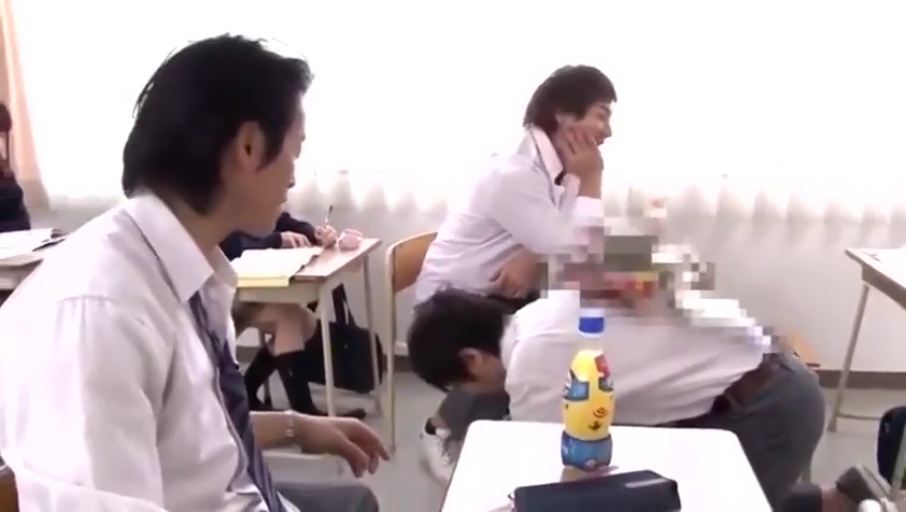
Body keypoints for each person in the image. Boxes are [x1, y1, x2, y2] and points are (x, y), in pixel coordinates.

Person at [0, 35, 385, 511]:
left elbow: (194, 430)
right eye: (295, 150)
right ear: (249, 146)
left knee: (358, 501)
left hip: (238, 490)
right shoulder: (98, 314)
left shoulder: (187, 269)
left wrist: (298, 426)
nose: (292, 175)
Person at [407, 234, 825, 508]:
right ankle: (836, 498)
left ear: (472, 359)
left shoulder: (532, 366)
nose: (469, 395)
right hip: (747, 388)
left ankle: (832, 502)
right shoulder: (537, 316)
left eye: (458, 385)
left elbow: (556, 478)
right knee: (683, 495)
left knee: (725, 502)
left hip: (769, 406)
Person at [412, 64, 616, 482]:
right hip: (455, 302)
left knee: (559, 328)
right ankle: (439, 429)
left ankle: (517, 420)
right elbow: (580, 252)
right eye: (601, 115)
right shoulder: (514, 172)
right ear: (563, 115)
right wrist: (592, 179)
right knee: (528, 349)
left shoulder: (556, 166)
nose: (608, 131)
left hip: (497, 288)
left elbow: (563, 234)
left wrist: (532, 252)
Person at [221, 213, 366, 419]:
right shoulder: (226, 203)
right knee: (290, 319)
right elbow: (233, 245)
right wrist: (277, 239)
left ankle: (250, 391)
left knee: (304, 321)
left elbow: (283, 220)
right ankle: (304, 414)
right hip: (219, 294)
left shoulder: (256, 199)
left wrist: (314, 233)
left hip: (249, 288)